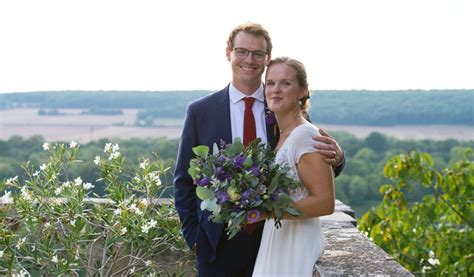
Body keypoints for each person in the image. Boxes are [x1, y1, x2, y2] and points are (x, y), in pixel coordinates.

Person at [173, 22, 344, 277]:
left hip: (275, 237)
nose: (249, 60)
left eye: (258, 54)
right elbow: (184, 180)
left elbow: (309, 161)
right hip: (218, 245)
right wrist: (195, 238)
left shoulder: (282, 104)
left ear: (267, 59)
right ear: (228, 53)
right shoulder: (200, 112)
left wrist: (339, 157)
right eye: (242, 51)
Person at [252, 56, 335, 276]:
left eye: (285, 83)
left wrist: (266, 211)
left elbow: (325, 202)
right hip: (278, 238)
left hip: (296, 242)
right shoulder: (281, 136)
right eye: (270, 83)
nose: (275, 90)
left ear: (302, 91)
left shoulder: (305, 136)